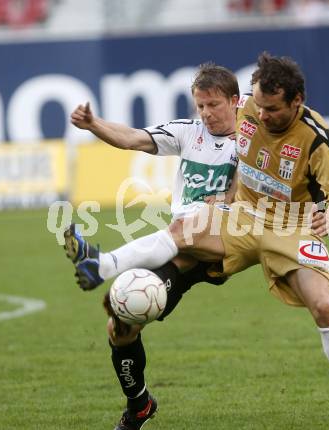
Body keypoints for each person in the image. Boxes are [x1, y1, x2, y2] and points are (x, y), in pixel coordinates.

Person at [74, 52, 329, 429]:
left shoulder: (315, 137)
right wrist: (226, 198)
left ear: (296, 102)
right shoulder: (245, 111)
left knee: (323, 307)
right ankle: (102, 265)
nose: (260, 114)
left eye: (271, 108)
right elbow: (245, 161)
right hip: (241, 219)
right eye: (256, 103)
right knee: (172, 244)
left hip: (291, 228)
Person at [65, 63, 240, 430]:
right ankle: (139, 403)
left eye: (214, 105)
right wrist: (94, 124)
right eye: (200, 105)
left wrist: (227, 198)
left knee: (184, 227)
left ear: (235, 101)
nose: (206, 113)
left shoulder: (253, 137)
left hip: (228, 242)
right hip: (180, 252)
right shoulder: (188, 132)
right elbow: (131, 138)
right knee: (119, 321)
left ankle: (102, 263)